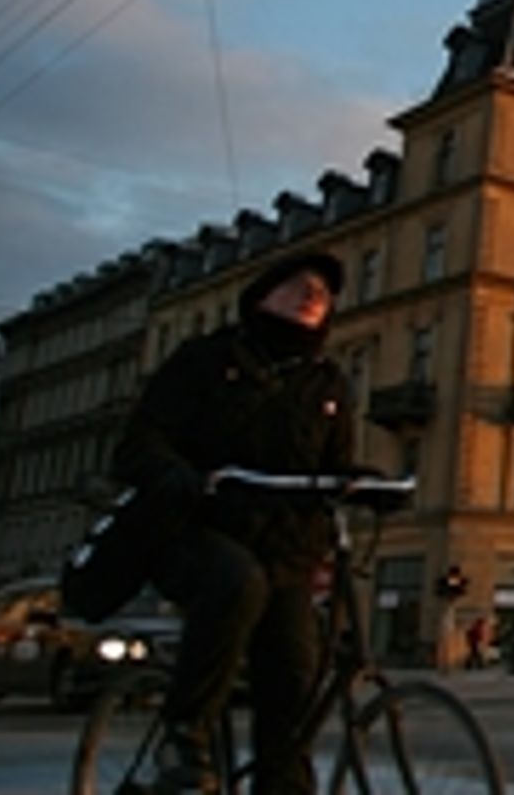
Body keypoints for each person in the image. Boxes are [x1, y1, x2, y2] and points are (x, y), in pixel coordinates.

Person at [115, 250, 355, 795]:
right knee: (235, 581)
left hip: (287, 553)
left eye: (323, 291)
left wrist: (368, 485)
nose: (313, 294)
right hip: (196, 533)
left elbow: (334, 467)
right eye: (299, 284)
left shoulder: (328, 383)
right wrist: (176, 476)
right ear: (263, 296)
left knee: (294, 679)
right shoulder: (204, 359)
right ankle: (185, 731)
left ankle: (283, 782)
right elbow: (136, 445)